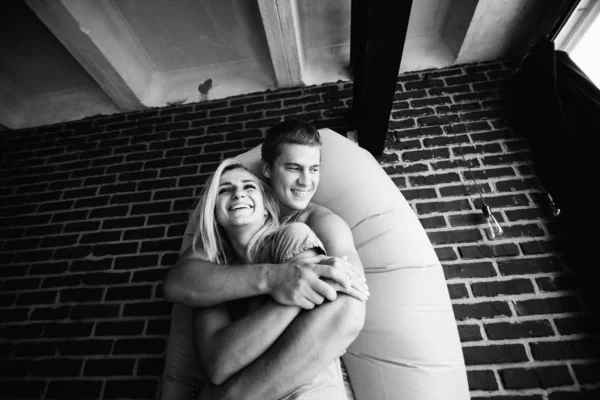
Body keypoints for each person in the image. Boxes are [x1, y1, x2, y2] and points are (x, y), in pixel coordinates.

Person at [164, 119, 368, 399]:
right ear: (268, 170)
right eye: (294, 168)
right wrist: (276, 278)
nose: (306, 181)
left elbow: (349, 299)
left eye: (314, 169)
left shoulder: (314, 223)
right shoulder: (219, 252)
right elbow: (178, 282)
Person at [191, 158, 347, 398]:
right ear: (214, 213)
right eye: (224, 190)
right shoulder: (210, 278)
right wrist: (292, 292)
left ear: (266, 207)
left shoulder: (291, 236)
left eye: (248, 187)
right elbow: (217, 365)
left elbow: (319, 322)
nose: (238, 194)